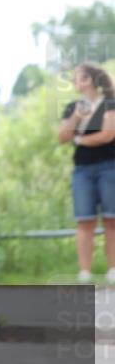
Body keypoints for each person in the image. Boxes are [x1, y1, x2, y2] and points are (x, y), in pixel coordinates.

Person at [57, 62, 115, 285]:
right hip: (82, 170)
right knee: (84, 221)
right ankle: (85, 273)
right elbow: (62, 137)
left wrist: (79, 139)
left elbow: (107, 135)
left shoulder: (110, 104)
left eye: (78, 77)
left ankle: (112, 269)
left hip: (109, 167)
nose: (74, 82)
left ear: (89, 80)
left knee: (111, 220)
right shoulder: (73, 107)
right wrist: (76, 119)